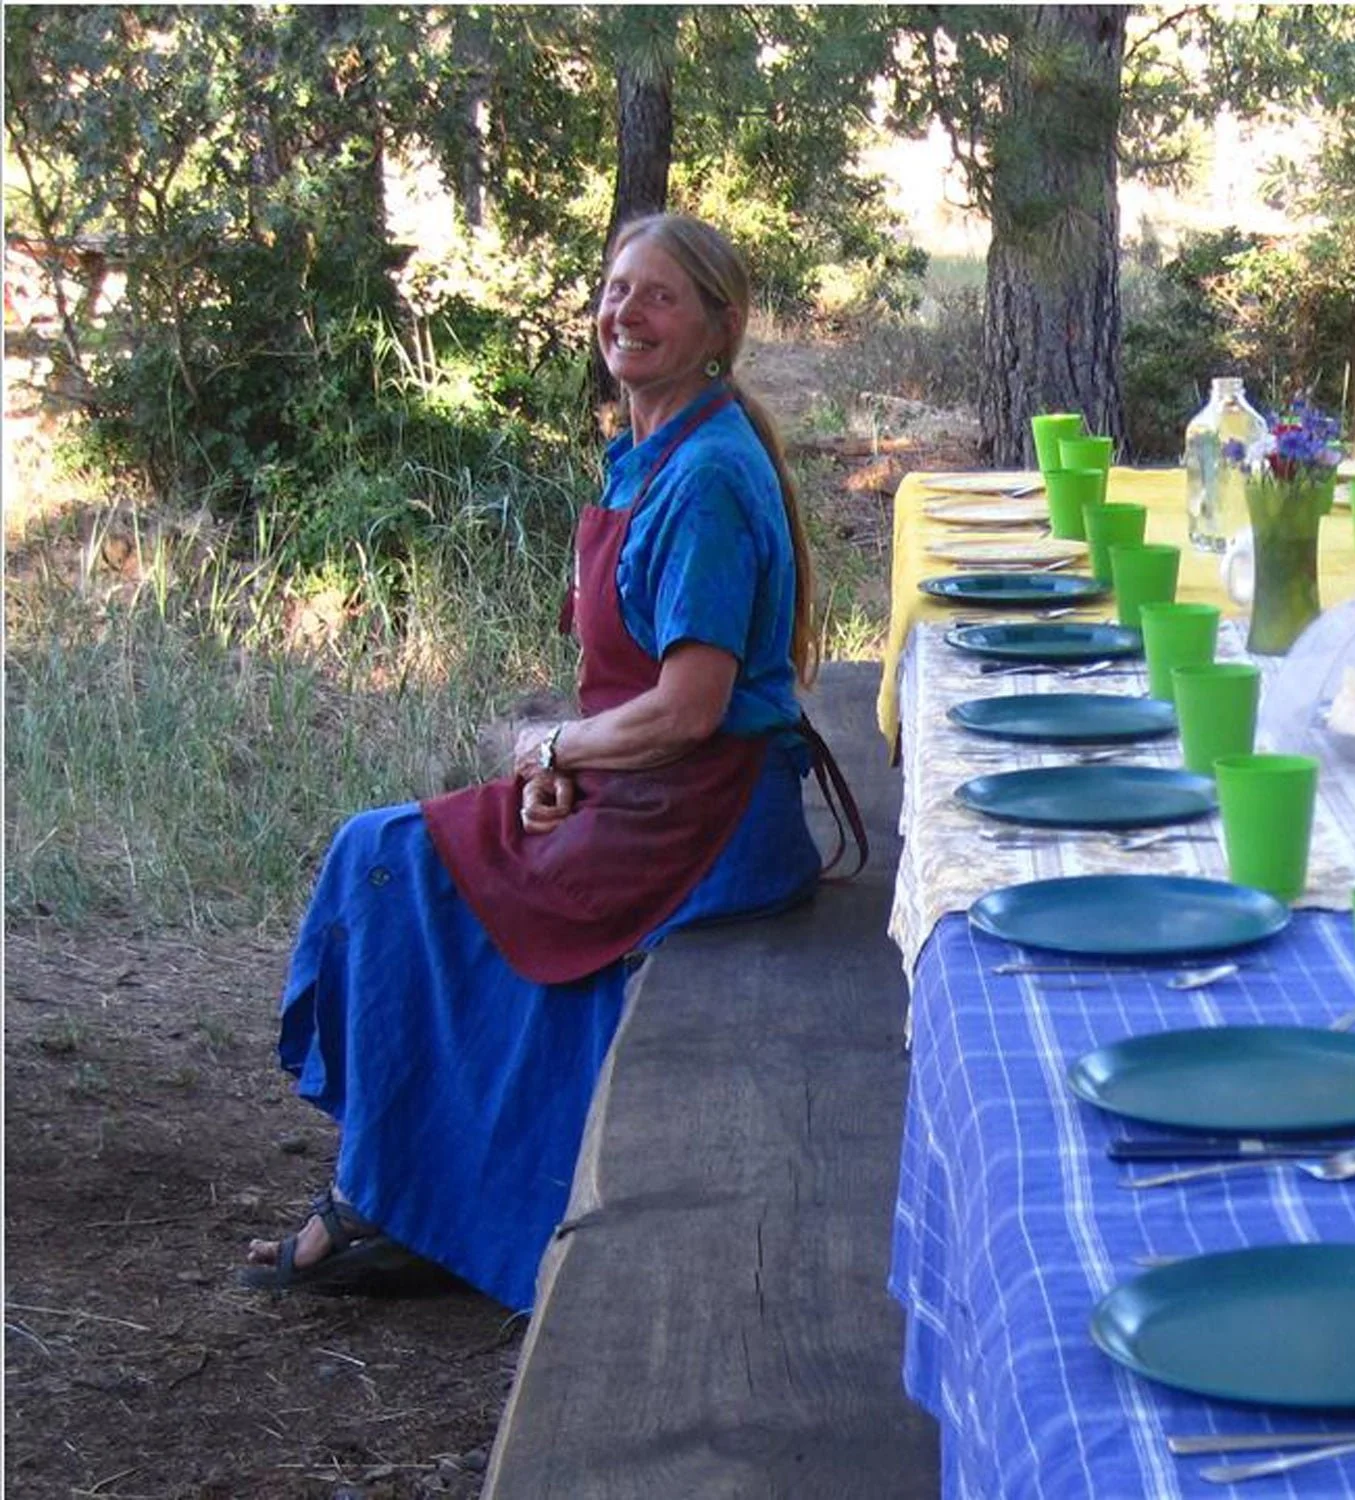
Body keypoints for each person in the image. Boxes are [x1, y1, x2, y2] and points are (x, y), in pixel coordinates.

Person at [242, 212, 860, 1309]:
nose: (627, 312)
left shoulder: (706, 476)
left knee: (386, 864)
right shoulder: (651, 453)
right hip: (660, 795)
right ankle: (404, 1196)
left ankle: (388, 1203)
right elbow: (641, 703)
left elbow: (690, 706)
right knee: (417, 867)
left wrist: (554, 745)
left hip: (708, 828)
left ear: (719, 326)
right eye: (617, 289)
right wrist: (565, 764)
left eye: (660, 295)